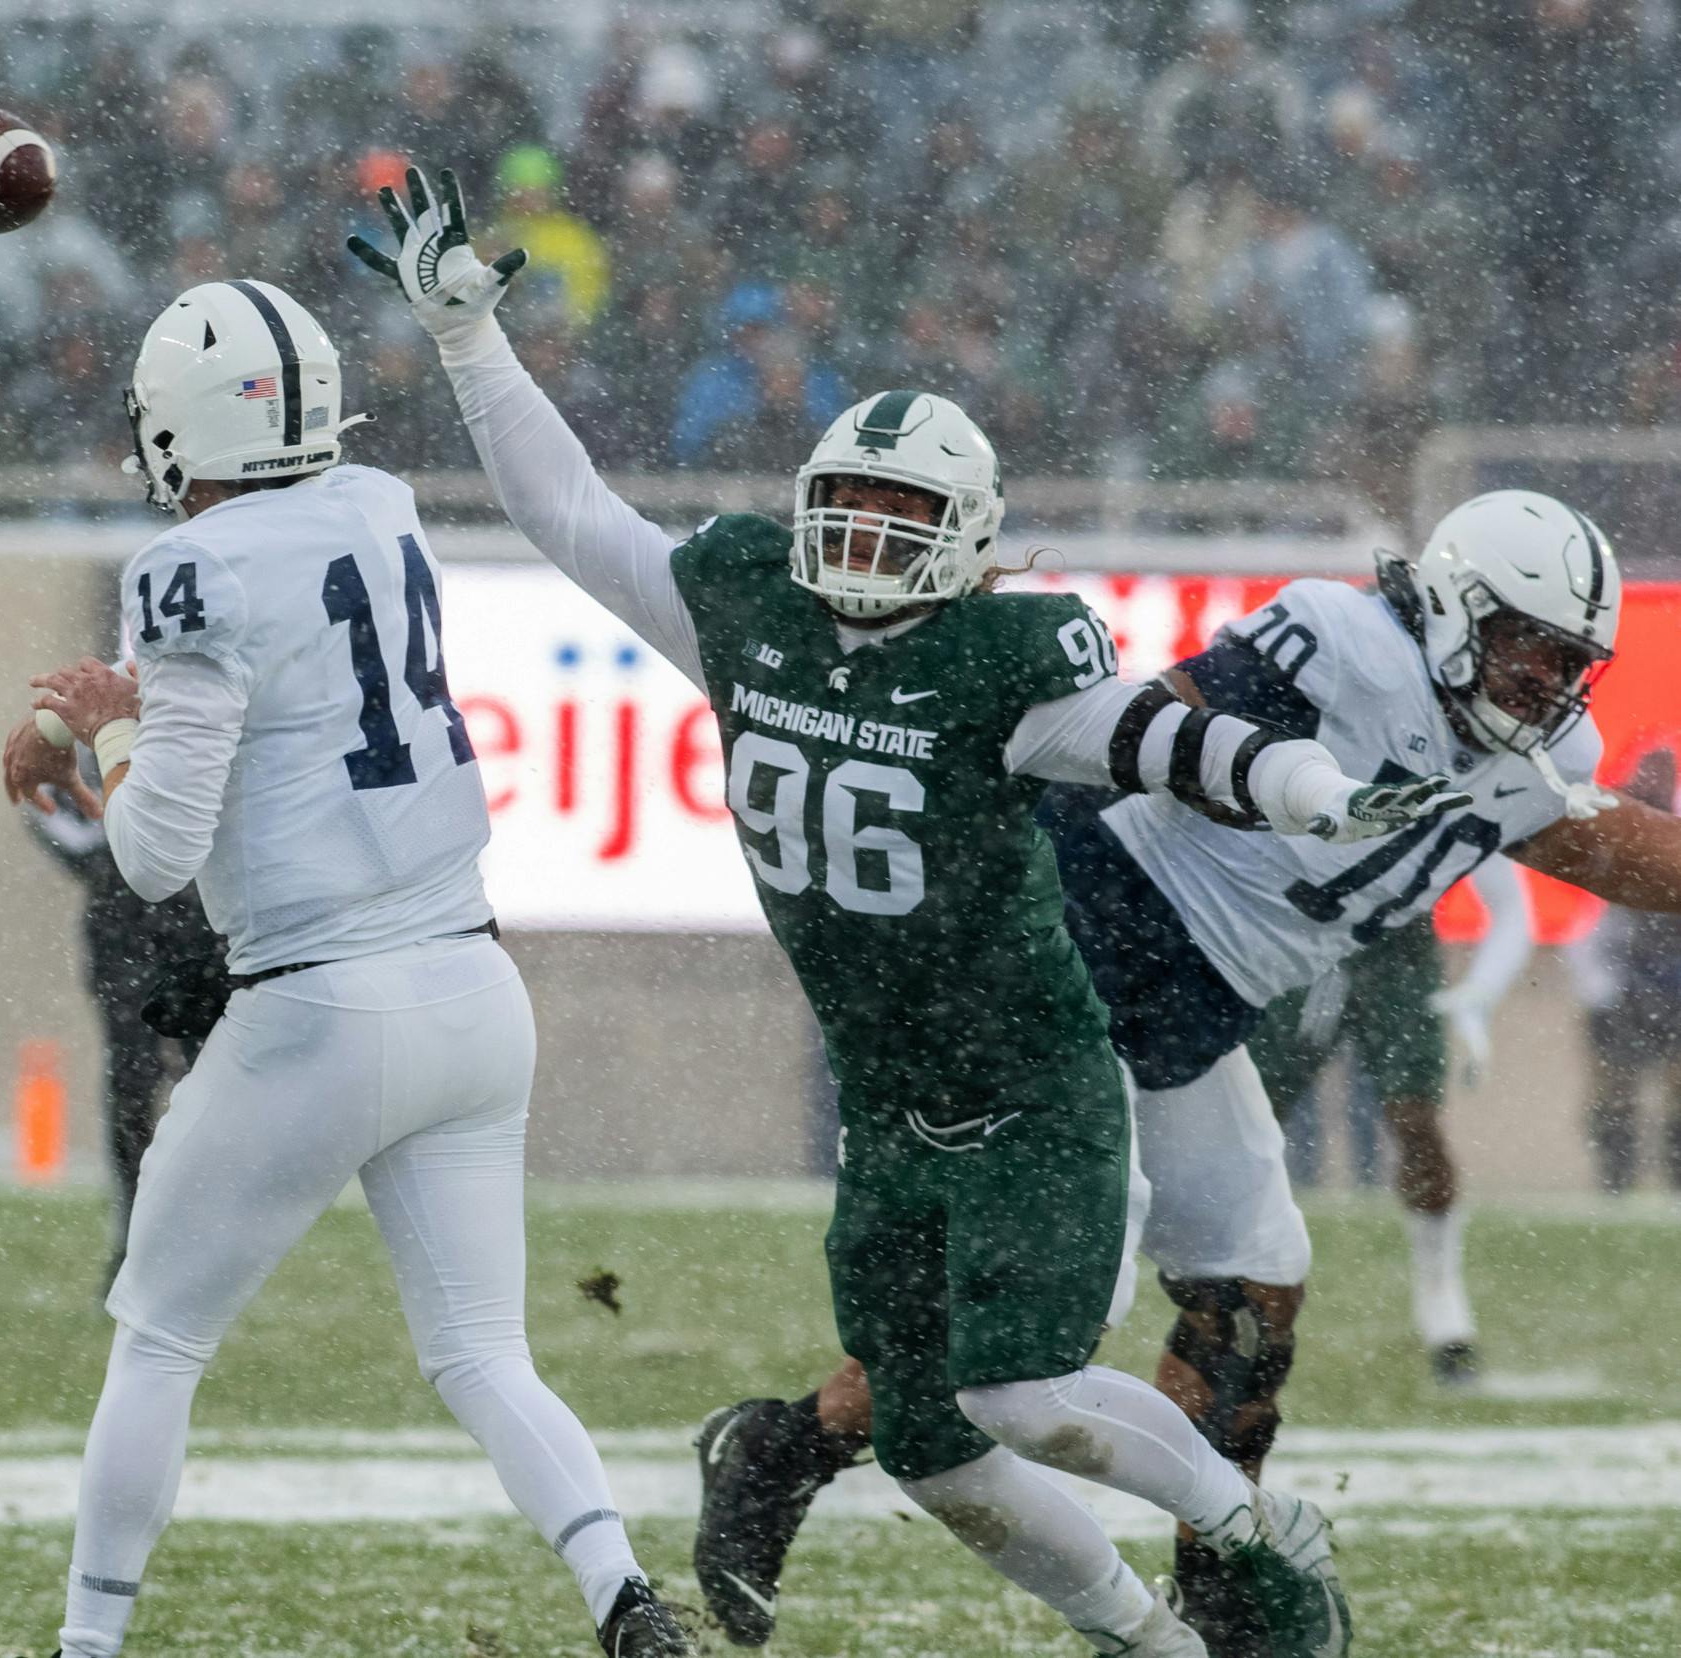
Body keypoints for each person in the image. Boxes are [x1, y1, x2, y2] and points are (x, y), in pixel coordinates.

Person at [356, 166, 1474, 1658]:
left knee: (1017, 1392)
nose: (871, 540)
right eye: (852, 508)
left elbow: (1170, 738)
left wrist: (1311, 791)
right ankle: (1156, 1642)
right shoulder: (746, 609)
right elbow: (571, 511)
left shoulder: (1004, 665)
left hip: (1034, 1088)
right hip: (894, 1096)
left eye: (906, 515)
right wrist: (468, 342)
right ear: (808, 510)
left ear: (969, 534)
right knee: (936, 1448)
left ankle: (1255, 1529)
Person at [677, 486, 1681, 1656]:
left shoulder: (1541, 750)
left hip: (1199, 1003)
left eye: (1570, 660)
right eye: (1529, 646)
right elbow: (1152, 723)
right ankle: (785, 1450)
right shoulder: (1343, 638)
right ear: (1459, 609)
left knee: (1252, 1286)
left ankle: (1217, 1580)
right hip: (1104, 939)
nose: (1547, 681)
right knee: (1024, 1338)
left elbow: (1596, 838)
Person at [0, 277, 691, 1658]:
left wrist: (99, 737)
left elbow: (152, 853)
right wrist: (136, 712)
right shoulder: (378, 501)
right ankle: (624, 1594)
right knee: (485, 1355)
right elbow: (290, 695)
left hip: (323, 1004)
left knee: (157, 1333)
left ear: (174, 427)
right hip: (472, 989)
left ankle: (84, 1646)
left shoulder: (183, 571)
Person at [1251, 851, 1533, 1390]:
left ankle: (1443, 1305)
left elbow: (1510, 902)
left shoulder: (1456, 774)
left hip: (1401, 958)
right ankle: (1232, 1288)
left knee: (1416, 1121)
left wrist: (1482, 993)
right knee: (1255, 1119)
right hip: (1313, 947)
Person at [24, 759, 217, 1293]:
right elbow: (63, 832)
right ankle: (135, 1231)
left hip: (191, 928)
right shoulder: (86, 746)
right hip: (126, 932)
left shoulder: (185, 716)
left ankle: (204, 1232)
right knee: (133, 1081)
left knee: (210, 1082)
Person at [1568, 749, 1681, 1191]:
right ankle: (1615, 1178)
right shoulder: (1618, 855)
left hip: (1668, 987)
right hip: (1628, 987)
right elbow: (1595, 931)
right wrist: (1603, 992)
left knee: (1673, 1087)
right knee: (1614, 1085)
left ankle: (1672, 1180)